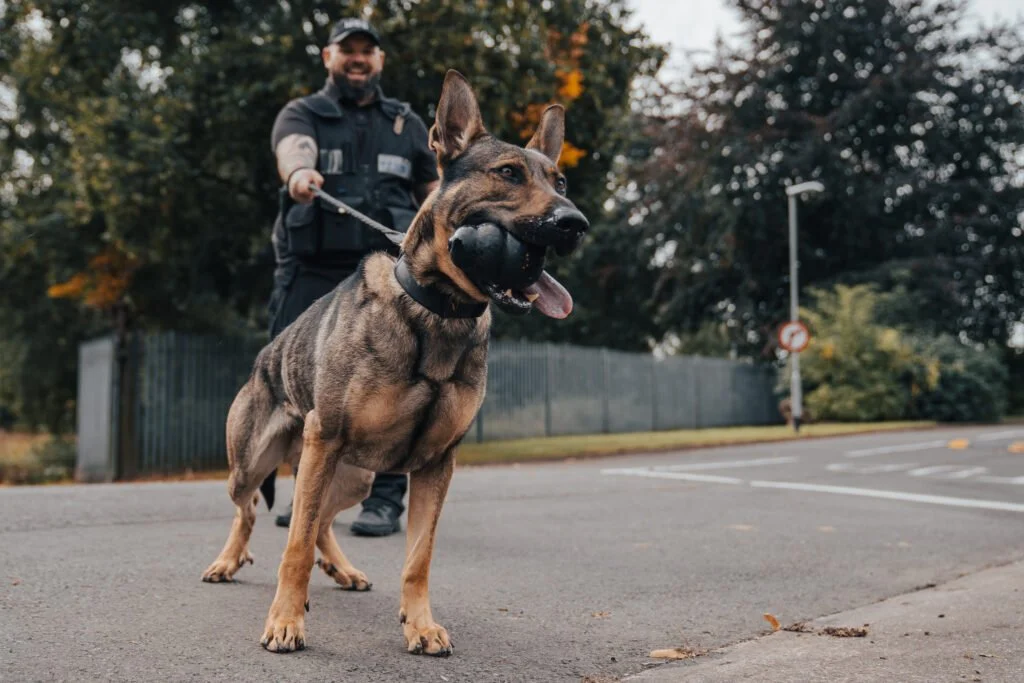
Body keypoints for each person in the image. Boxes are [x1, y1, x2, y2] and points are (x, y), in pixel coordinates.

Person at [265, 16, 439, 536]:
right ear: (328, 58)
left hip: (385, 276)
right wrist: (300, 174)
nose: (358, 58)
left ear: (379, 60)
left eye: (367, 50)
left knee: (401, 382)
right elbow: (293, 151)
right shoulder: (303, 113)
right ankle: (306, 494)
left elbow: (435, 190)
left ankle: (383, 500)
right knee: (296, 382)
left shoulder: (406, 124)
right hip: (313, 270)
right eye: (348, 50)